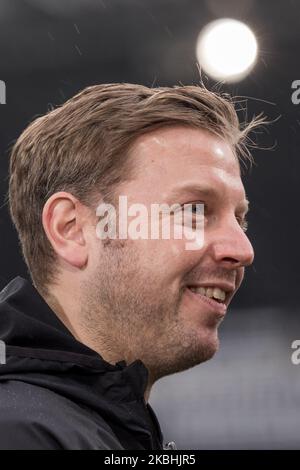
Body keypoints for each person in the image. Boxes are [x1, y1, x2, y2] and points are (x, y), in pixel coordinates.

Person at [0, 83, 261, 449]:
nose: (243, 248)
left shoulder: (87, 427)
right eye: (195, 211)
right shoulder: (20, 434)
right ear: (72, 229)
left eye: (240, 219)